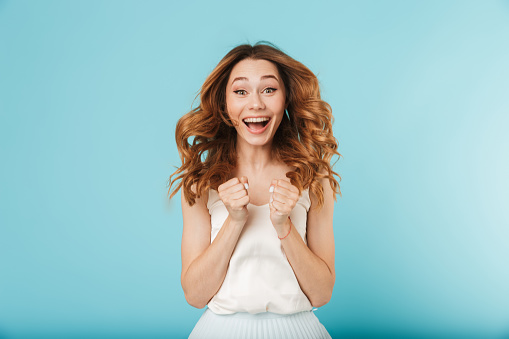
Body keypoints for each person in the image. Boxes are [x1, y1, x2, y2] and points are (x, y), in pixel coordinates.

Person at [168, 41, 341, 338]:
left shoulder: (314, 178)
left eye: (269, 90)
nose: (256, 104)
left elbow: (322, 293)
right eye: (240, 91)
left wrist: (284, 226)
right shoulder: (201, 182)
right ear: (225, 104)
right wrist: (235, 221)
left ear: (285, 98)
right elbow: (195, 295)